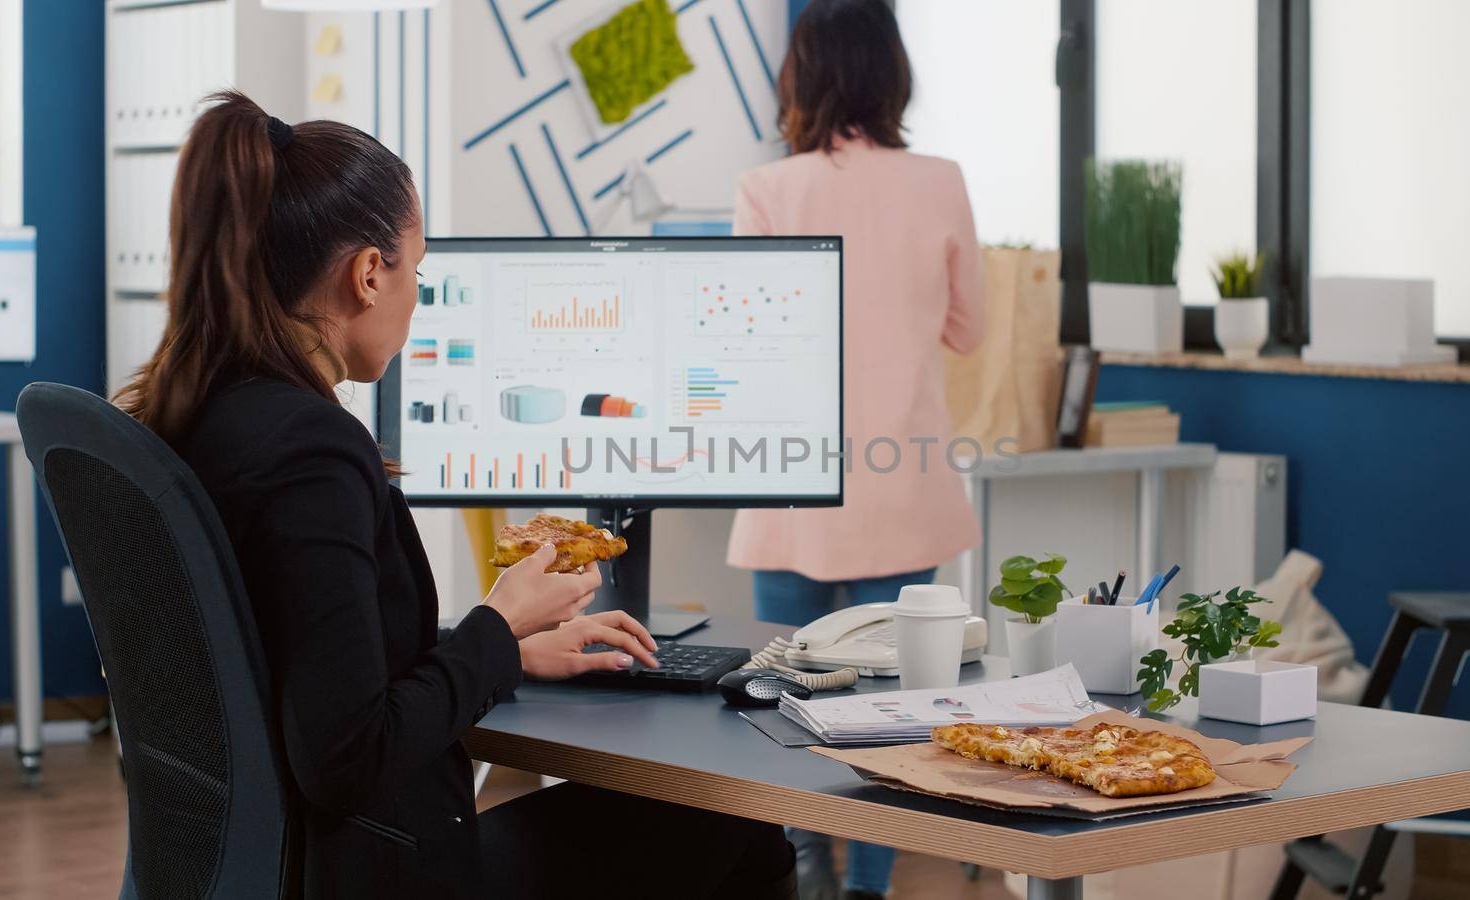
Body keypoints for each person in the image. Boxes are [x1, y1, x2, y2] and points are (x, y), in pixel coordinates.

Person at [114, 91, 796, 900]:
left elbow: (307, 661)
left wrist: (505, 654)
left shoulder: (195, 409)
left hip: (272, 868)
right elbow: (348, 758)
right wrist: (501, 621)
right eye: (419, 272)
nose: (417, 300)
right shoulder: (312, 452)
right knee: (738, 822)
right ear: (369, 273)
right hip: (387, 873)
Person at [725, 1, 988, 897]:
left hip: (792, 492)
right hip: (906, 494)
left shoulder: (769, 190)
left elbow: (742, 345)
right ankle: (872, 880)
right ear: (894, 74)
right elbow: (968, 328)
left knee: (778, 697)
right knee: (898, 709)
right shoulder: (942, 180)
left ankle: (799, 862)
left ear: (797, 78)